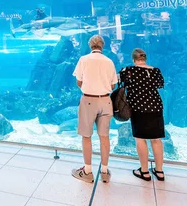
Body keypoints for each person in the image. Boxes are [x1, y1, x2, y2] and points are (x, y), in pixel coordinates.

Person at [71, 35, 117, 184]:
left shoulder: (83, 60)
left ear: (90, 45)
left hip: (88, 100)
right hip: (105, 101)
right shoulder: (109, 61)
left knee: (86, 136)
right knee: (104, 136)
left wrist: (89, 86)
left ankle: (88, 171)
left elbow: (79, 81)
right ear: (102, 46)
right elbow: (112, 86)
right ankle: (104, 171)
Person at [120, 48, 165, 182]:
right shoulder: (155, 71)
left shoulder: (128, 70)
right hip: (156, 107)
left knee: (140, 139)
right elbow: (160, 85)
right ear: (145, 59)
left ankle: (144, 171)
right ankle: (160, 171)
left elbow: (118, 82)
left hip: (138, 108)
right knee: (156, 139)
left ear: (134, 60)